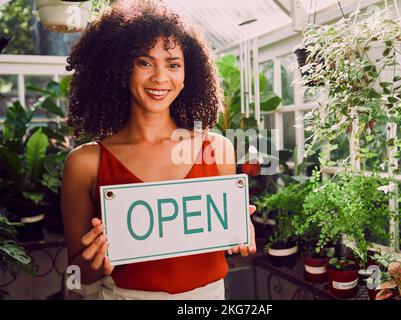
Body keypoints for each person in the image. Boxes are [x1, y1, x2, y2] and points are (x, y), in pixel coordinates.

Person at [61, 0, 256, 300]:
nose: (160, 77)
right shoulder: (85, 163)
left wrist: (239, 233)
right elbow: (74, 278)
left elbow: (221, 246)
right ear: (120, 69)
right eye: (145, 62)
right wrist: (90, 263)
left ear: (187, 73)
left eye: (173, 64)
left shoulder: (218, 150)